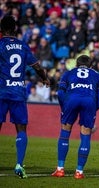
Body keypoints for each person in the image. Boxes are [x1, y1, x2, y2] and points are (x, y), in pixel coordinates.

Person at [0, 15, 50, 179]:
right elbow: (36, 66)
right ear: (15, 29)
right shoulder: (22, 45)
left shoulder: (0, 45)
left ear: (1, 29)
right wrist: (44, 78)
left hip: (1, 91)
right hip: (18, 93)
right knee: (21, 129)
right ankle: (19, 165)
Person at [51, 55, 99, 179]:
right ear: (91, 66)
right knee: (86, 135)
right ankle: (79, 172)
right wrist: (93, 109)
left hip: (71, 100)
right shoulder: (97, 75)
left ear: (76, 64)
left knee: (65, 132)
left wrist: (64, 106)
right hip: (89, 101)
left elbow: (60, 92)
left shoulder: (68, 73)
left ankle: (60, 169)